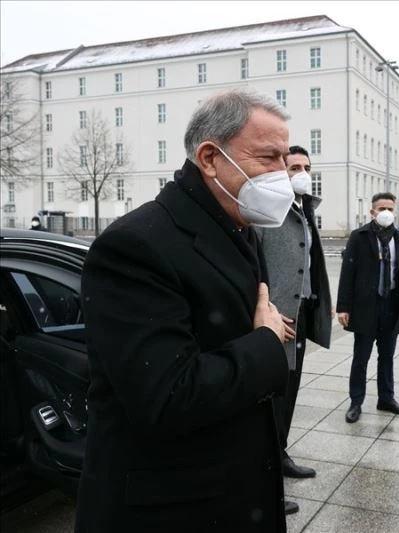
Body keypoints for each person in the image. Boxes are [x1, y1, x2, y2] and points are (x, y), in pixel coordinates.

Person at [75, 89, 296, 533]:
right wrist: (266, 343)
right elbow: (167, 398)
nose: (283, 175)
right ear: (211, 158)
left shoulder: (236, 223)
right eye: (268, 158)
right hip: (172, 509)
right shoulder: (136, 245)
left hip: (230, 492)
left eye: (285, 160)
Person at [254, 145, 331, 515]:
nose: (302, 172)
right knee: (269, 403)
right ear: (281, 171)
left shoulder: (306, 208)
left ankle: (280, 454)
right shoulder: (268, 211)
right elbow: (255, 267)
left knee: (289, 394)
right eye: (294, 166)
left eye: (307, 167)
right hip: (276, 321)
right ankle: (265, 485)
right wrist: (265, 309)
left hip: (300, 317)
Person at [337, 192, 399, 423]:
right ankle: (356, 402)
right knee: (361, 358)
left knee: (387, 357)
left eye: (390, 208)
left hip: (391, 306)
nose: (386, 213)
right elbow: (347, 273)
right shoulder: (359, 237)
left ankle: (386, 398)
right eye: (382, 208)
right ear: (372, 212)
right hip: (365, 307)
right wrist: (343, 307)